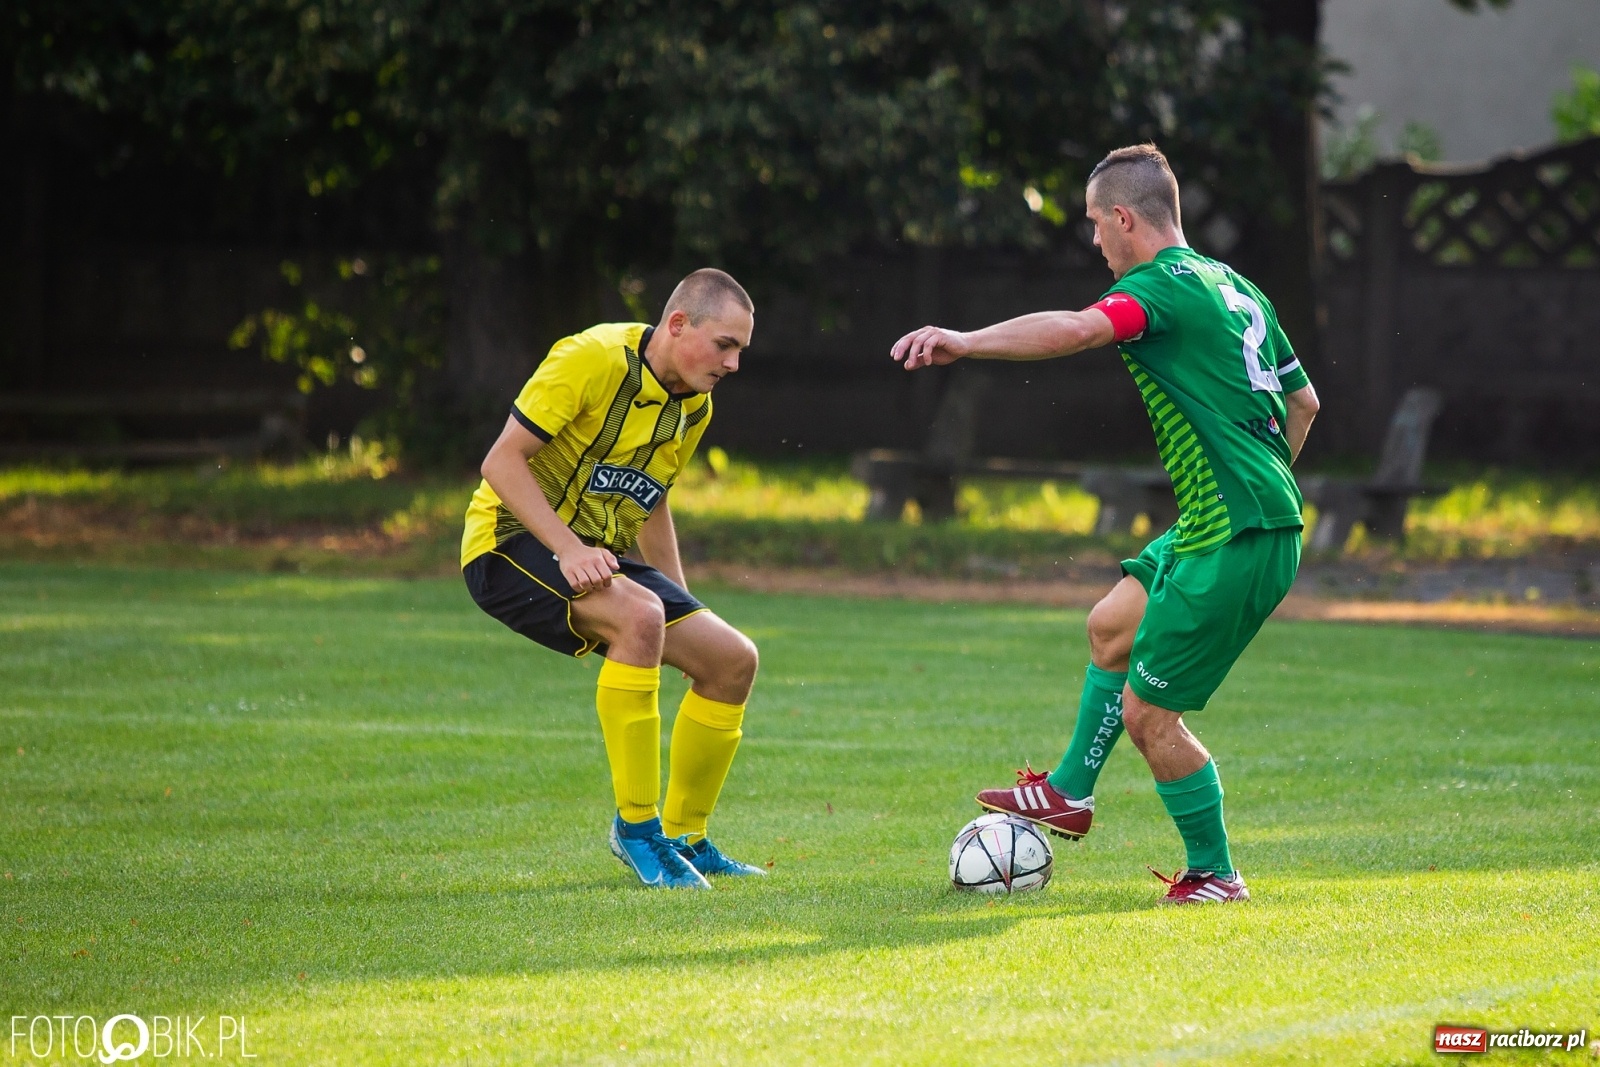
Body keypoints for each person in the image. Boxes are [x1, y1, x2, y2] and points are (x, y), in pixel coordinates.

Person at [890, 144, 1320, 904]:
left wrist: (967, 341)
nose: (1094, 242)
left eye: (1095, 224)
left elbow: (1078, 328)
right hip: (1224, 518)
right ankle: (1069, 793)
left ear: (1124, 218)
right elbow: (1305, 403)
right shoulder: (1237, 286)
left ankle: (1216, 873)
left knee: (1149, 715)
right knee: (1111, 624)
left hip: (1236, 532)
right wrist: (1264, 480)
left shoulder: (1159, 288)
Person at [463, 268, 763, 890]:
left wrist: (684, 605)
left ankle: (685, 837)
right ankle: (636, 830)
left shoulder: (694, 404)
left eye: (741, 350)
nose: (734, 365)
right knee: (638, 617)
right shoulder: (592, 359)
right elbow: (501, 461)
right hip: (508, 541)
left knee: (731, 659)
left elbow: (651, 498)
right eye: (725, 345)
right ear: (678, 325)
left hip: (597, 552)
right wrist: (568, 548)